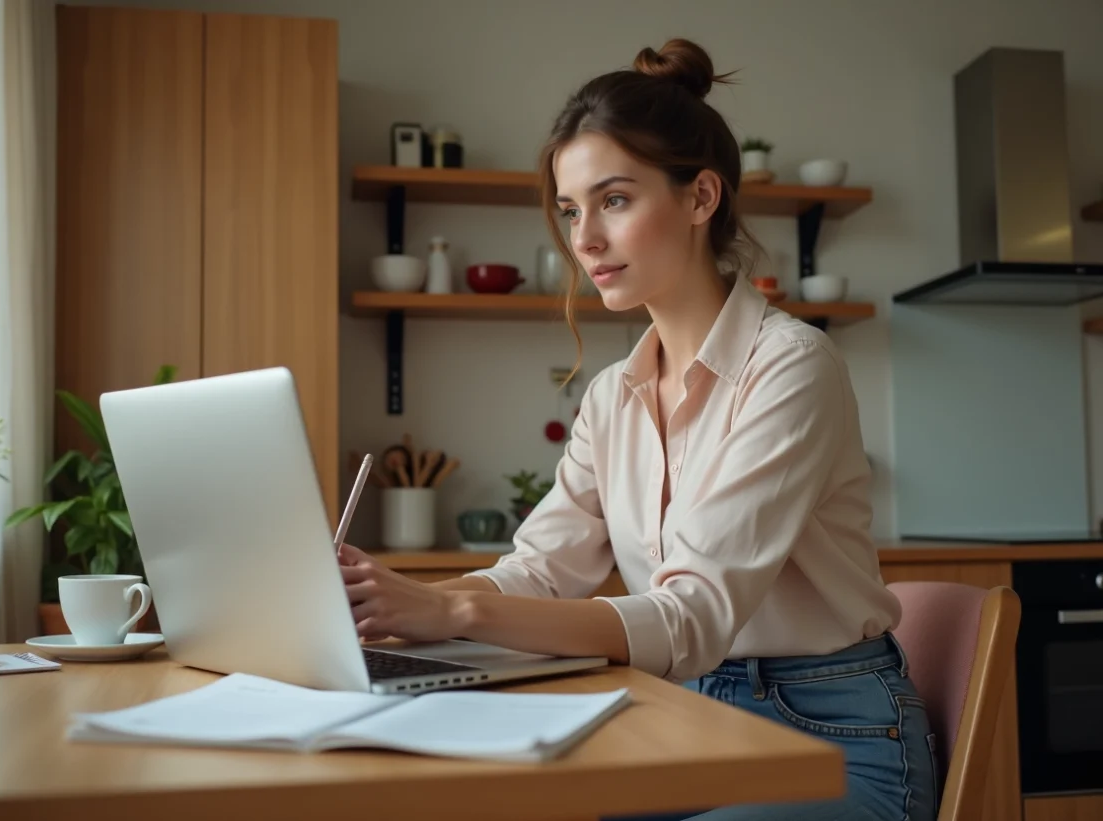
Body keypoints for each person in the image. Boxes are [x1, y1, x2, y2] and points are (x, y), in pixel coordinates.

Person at [339, 37, 938, 821]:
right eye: (570, 209)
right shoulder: (611, 396)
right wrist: (388, 605)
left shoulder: (793, 368)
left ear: (700, 197)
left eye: (613, 200)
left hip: (833, 736)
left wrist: (449, 613)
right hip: (679, 716)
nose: (583, 239)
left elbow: (688, 617)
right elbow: (542, 573)